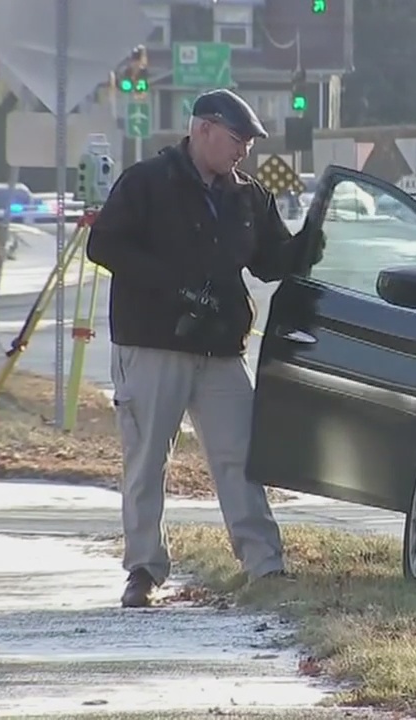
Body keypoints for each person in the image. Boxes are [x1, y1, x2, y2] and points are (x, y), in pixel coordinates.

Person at [86, 89, 323, 608]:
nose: (243, 152)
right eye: (237, 140)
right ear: (203, 130)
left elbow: (268, 261)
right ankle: (144, 570)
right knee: (147, 460)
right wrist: (174, 285)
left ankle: (264, 565)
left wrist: (306, 245)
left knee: (240, 456)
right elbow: (103, 244)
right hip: (153, 342)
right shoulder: (148, 182)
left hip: (220, 348)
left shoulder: (248, 196)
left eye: (249, 144)